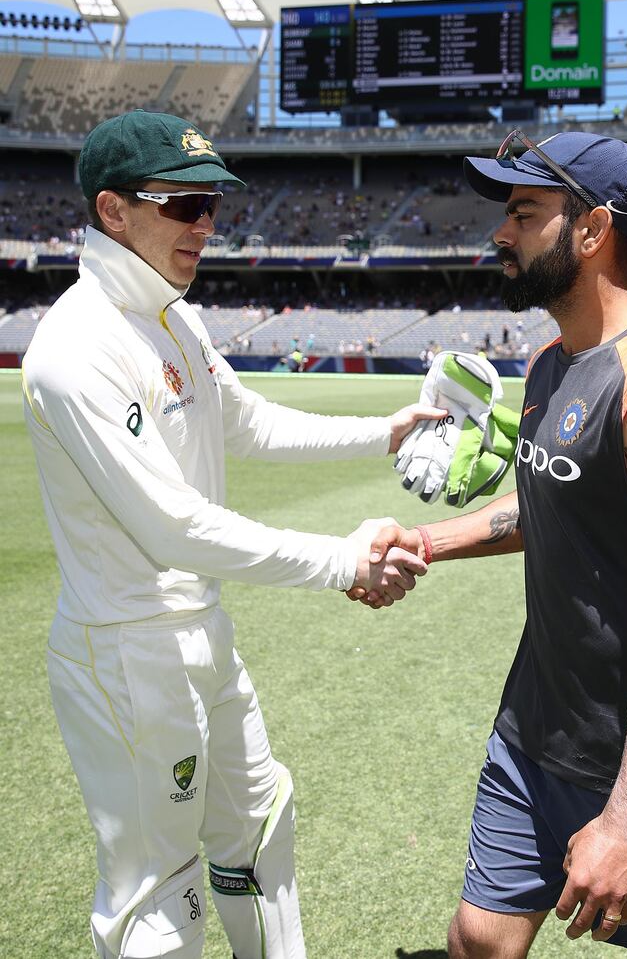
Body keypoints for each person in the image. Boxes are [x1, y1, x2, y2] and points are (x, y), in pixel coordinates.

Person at [21, 110, 443, 959]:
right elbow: (174, 527)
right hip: (126, 653)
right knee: (158, 895)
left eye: (212, 203)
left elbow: (246, 422)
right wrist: (341, 559)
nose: (206, 224)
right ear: (113, 210)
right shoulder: (72, 347)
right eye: (184, 204)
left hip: (199, 631)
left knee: (259, 826)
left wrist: (384, 430)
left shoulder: (177, 317)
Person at [357, 130, 627, 959]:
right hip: (534, 731)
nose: (502, 232)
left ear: (593, 230)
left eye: (524, 212)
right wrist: (425, 538)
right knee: (480, 939)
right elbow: (545, 505)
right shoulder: (552, 365)